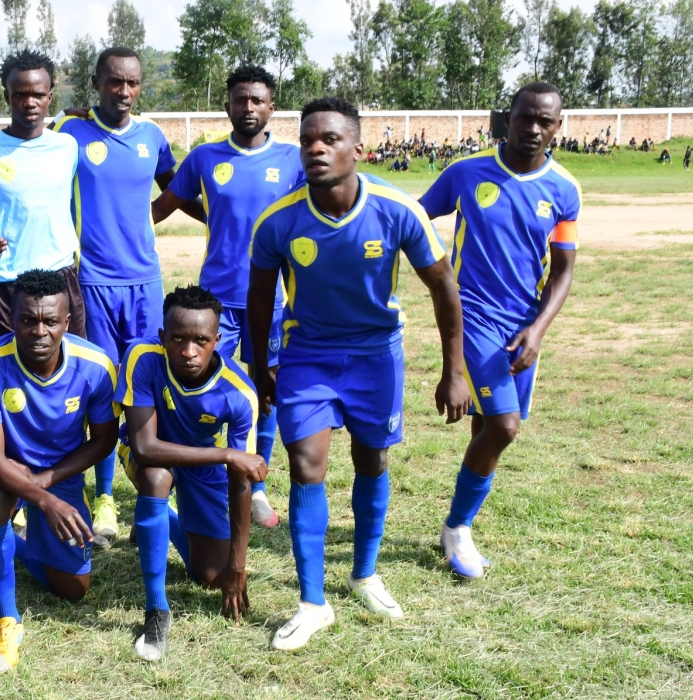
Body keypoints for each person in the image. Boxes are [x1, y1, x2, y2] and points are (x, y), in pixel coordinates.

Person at [248, 96, 469, 650]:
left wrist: (455, 371)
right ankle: (311, 602)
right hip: (309, 355)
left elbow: (443, 286)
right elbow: (257, 298)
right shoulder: (280, 220)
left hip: (376, 356)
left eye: (330, 139)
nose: (316, 148)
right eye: (307, 140)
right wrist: (260, 365)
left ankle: (365, 573)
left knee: (372, 457)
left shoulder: (397, 210)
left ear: (358, 148)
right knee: (306, 465)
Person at [419, 82, 580, 581]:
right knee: (504, 429)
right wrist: (437, 279)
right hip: (473, 318)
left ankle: (460, 528)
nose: (533, 129)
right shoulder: (467, 173)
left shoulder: (564, 190)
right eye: (524, 117)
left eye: (544, 121)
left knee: (488, 427)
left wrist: (538, 331)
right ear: (506, 118)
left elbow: (563, 270)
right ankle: (457, 527)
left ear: (558, 127)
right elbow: (417, 217)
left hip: (522, 326)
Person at [151, 65, 302, 529]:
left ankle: (255, 485)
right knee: (203, 388)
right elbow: (164, 207)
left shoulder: (294, 160)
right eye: (240, 100)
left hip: (274, 301)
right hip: (215, 307)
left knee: (264, 392)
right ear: (228, 106)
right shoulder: (204, 157)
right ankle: (193, 473)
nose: (249, 107)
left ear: (272, 106)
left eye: (257, 100)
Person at [51, 46, 183, 541]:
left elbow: (174, 188)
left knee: (147, 384)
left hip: (146, 284)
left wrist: (145, 222)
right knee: (103, 393)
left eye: (131, 83)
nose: (123, 91)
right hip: (93, 283)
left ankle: (153, 485)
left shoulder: (151, 136)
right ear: (96, 82)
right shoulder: (71, 133)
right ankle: (104, 498)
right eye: (113, 82)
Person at [0, 269, 118, 674]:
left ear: (66, 322)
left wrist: (47, 487)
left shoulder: (96, 365)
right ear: (11, 320)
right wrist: (42, 499)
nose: (39, 331)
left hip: (60, 476)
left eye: (50, 321)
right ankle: (8, 619)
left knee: (72, 590)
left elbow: (104, 440)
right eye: (28, 320)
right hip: (8, 472)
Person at [117, 285, 268, 661]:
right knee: (156, 477)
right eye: (178, 339)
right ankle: (156, 609)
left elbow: (242, 481)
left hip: (203, 466)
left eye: (201, 340)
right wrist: (226, 454)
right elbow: (145, 447)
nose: (188, 351)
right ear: (162, 337)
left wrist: (238, 565)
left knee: (210, 576)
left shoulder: (239, 394)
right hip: (152, 456)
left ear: (217, 340)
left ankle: (158, 519)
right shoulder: (141, 357)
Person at [0, 49, 84, 345]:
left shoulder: (68, 147)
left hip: (60, 278)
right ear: (7, 96)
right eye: (20, 94)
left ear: (50, 98)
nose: (29, 102)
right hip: (7, 284)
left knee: (71, 374)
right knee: (4, 379)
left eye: (38, 94)